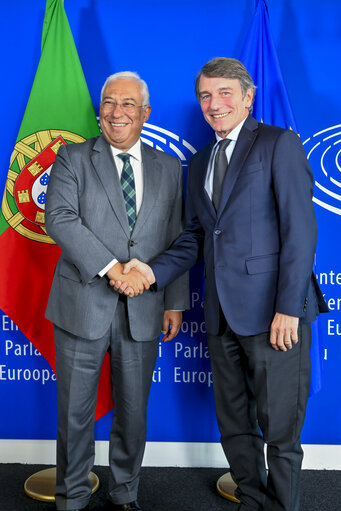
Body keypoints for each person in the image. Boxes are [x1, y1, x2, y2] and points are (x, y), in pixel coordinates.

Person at [115, 58, 329, 511]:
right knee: (234, 425)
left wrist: (288, 308)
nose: (215, 104)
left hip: (276, 315)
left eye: (225, 93)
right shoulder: (198, 164)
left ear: (247, 97)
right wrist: (149, 272)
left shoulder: (278, 144)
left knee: (281, 431)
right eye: (206, 96)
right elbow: (195, 236)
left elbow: (300, 232)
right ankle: (252, 501)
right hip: (221, 316)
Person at [45, 71, 188, 511]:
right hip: (81, 305)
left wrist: (176, 302)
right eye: (109, 102)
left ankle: (124, 493)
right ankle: (71, 496)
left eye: (128, 104)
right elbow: (61, 219)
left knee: (132, 413)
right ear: (99, 110)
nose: (117, 112)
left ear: (145, 113)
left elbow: (177, 236)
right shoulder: (71, 158)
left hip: (145, 309)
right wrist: (113, 268)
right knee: (75, 415)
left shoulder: (168, 168)